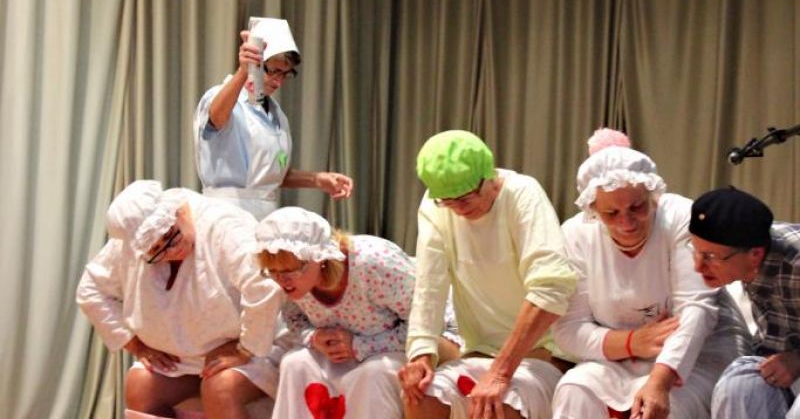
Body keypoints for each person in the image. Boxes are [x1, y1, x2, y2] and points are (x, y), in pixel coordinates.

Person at [551, 146, 750, 419]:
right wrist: (632, 343)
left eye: (637, 207)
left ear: (654, 196)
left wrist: (659, 382)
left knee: (667, 407)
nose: (626, 222)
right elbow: (569, 328)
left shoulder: (682, 216)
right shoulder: (575, 234)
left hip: (700, 351)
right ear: (593, 209)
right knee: (574, 389)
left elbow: (696, 309)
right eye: (611, 213)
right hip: (620, 356)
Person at [399, 129, 578, 419]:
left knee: (498, 407)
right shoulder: (435, 205)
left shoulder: (522, 193)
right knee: (422, 398)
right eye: (448, 201)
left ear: (489, 176)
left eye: (465, 197)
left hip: (545, 351)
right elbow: (429, 287)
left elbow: (551, 288)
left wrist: (500, 373)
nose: (458, 209)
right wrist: (421, 355)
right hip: (480, 351)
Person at [76, 181, 284, 419]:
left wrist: (245, 348)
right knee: (140, 385)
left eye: (170, 237)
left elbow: (264, 284)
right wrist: (135, 344)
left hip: (254, 347)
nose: (171, 251)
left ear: (179, 212)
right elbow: (90, 289)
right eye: (156, 250)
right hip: (182, 358)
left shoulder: (223, 225)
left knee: (220, 387)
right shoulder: (131, 242)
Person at [252, 206, 457, 418]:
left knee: (373, 374)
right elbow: (294, 320)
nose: (282, 280)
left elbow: (427, 323)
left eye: (290, 271)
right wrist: (314, 338)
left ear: (318, 258)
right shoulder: (292, 284)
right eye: (273, 272)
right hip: (338, 353)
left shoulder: (375, 264)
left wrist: (362, 346)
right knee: (295, 363)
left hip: (402, 345)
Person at [193, 17, 353, 217]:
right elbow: (216, 118)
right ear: (256, 64)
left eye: (285, 74)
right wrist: (243, 72)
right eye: (274, 71)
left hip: (266, 214)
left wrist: (318, 179)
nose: (279, 82)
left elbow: (272, 175)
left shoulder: (277, 115)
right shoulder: (221, 97)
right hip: (225, 213)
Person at [687, 186, 800, 418]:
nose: (697, 266)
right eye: (695, 251)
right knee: (738, 388)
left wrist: (798, 360)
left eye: (710, 257)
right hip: (782, 364)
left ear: (755, 255)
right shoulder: (748, 254)